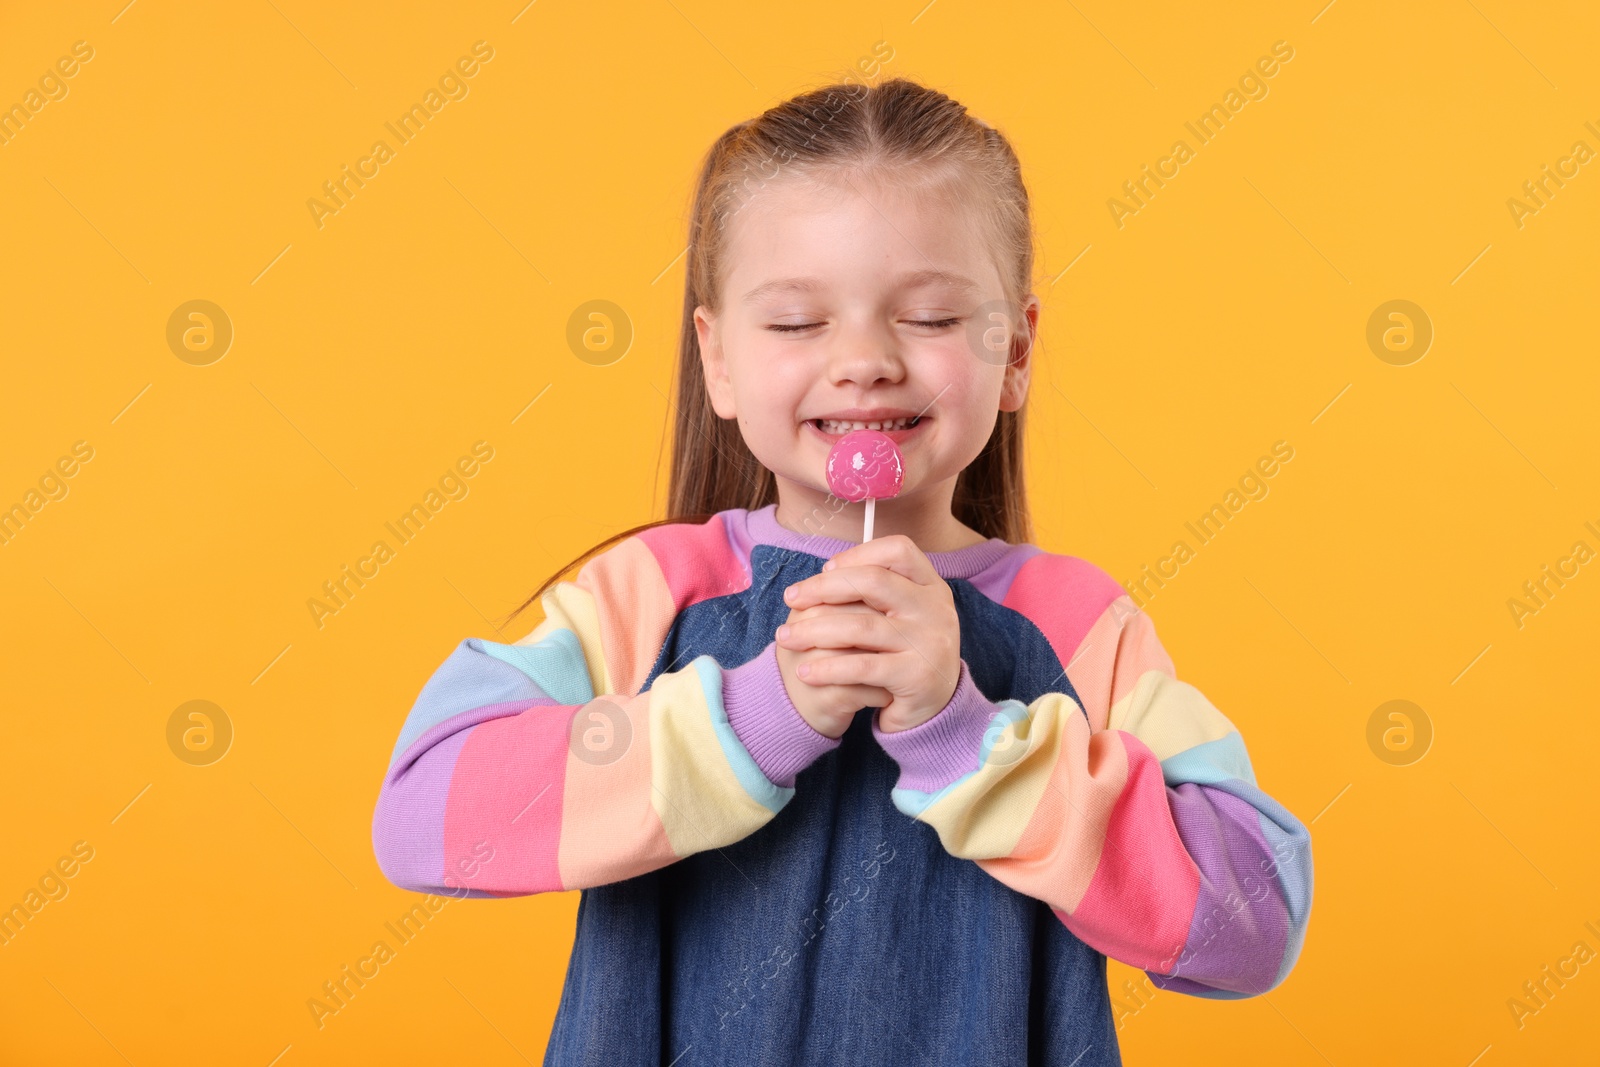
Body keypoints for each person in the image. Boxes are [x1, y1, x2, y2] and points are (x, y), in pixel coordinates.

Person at [371, 76, 1313, 1066]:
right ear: (718, 358)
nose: (863, 358)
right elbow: (425, 814)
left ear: (1018, 348)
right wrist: (752, 714)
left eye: (931, 316)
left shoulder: (1075, 624)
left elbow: (1251, 924)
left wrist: (975, 740)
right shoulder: (648, 594)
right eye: (795, 322)